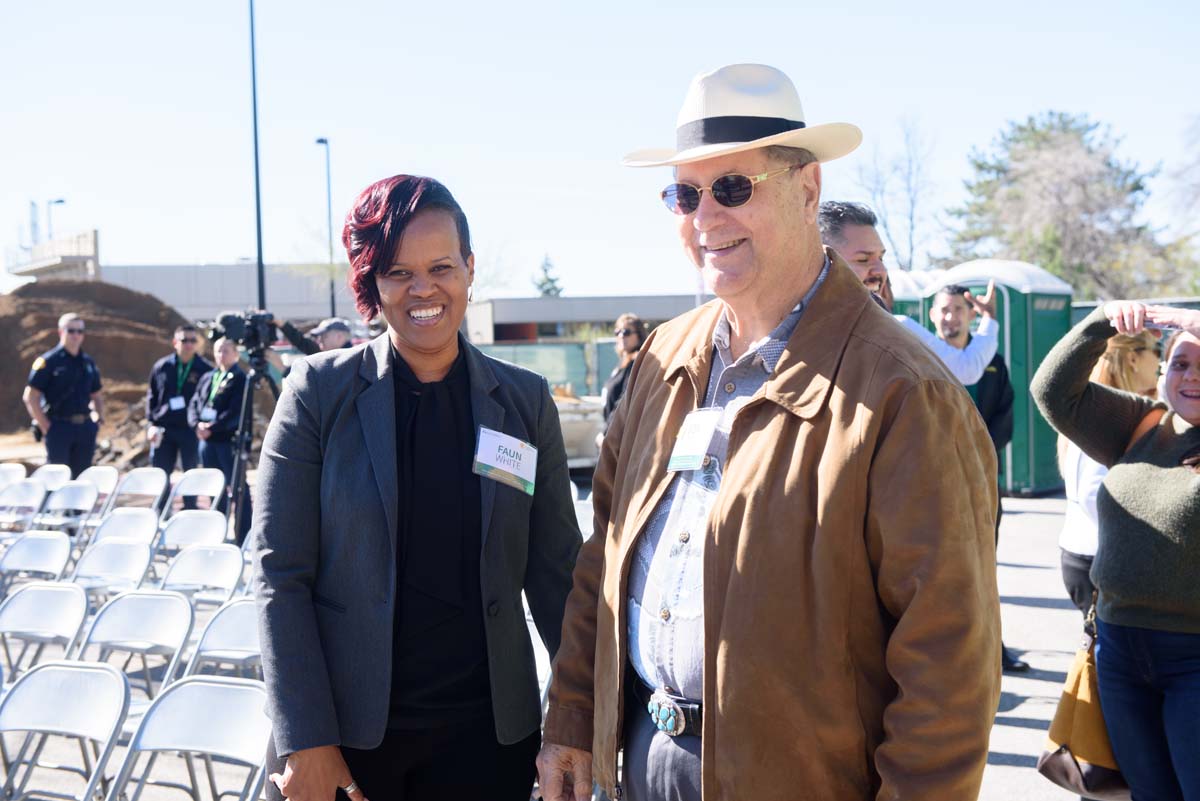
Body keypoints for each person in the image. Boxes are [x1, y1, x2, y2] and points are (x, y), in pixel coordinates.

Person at [537, 63, 1001, 801]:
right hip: (645, 763)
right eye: (685, 194)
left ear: (807, 189)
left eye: (732, 188)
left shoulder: (904, 391)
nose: (704, 218)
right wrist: (570, 715)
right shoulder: (663, 358)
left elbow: (947, 664)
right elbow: (606, 557)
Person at [251, 174, 581, 801]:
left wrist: (576, 719)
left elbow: (556, 573)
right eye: (399, 272)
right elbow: (279, 574)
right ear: (372, 281)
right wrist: (306, 739)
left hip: (488, 744)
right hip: (346, 748)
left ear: (470, 269)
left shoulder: (524, 402)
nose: (423, 289)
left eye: (441, 267)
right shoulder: (317, 394)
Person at [1032, 301, 1200, 801]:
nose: (1191, 377)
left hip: (1192, 656)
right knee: (1148, 793)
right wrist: (1101, 321)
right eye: (1181, 363)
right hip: (1120, 649)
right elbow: (1053, 391)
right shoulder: (1144, 424)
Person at [929, 284, 1027, 672]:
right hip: (932, 482)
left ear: (971, 315)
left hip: (982, 482)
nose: (950, 317)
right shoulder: (920, 355)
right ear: (932, 316)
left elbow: (1004, 417)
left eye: (958, 309)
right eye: (944, 309)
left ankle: (990, 649)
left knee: (983, 566)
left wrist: (975, 456)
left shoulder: (991, 362)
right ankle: (942, 654)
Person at [819, 200, 999, 386]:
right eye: (863, 259)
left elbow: (965, 369)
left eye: (881, 258)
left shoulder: (895, 330)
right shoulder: (804, 337)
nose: (881, 270)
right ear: (823, 265)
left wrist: (989, 319)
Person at [1055, 328, 1161, 617]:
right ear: (1133, 359)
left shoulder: (1102, 408)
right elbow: (1092, 495)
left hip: (1088, 554)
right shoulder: (1111, 415)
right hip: (1098, 558)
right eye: (1157, 352)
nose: (1160, 362)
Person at [23, 313, 104, 478]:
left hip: (85, 428)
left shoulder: (88, 362)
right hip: (59, 427)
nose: (76, 335)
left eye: (80, 331)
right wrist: (46, 426)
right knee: (57, 479)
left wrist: (98, 419)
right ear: (61, 332)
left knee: (82, 479)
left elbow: (96, 395)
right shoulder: (48, 361)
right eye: (71, 330)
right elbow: (30, 396)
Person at [187, 338, 250, 541]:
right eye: (218, 351)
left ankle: (243, 534)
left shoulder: (240, 378)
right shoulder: (208, 376)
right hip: (207, 441)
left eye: (226, 351)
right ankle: (218, 531)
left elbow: (236, 411)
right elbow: (194, 403)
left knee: (237, 487)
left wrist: (213, 427)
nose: (221, 355)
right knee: (214, 487)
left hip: (227, 440)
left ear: (236, 354)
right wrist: (197, 424)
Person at [146, 324, 212, 484]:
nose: (189, 344)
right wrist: (151, 425)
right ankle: (162, 501)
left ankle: (190, 501)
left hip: (189, 430)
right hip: (164, 428)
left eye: (193, 340)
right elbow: (152, 397)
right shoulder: (162, 367)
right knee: (160, 475)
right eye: (184, 340)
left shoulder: (205, 369)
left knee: (191, 475)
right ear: (175, 342)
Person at [601, 313, 647, 428]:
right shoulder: (622, 365)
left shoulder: (637, 364)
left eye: (626, 332)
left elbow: (623, 403)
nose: (621, 336)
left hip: (621, 433)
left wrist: (607, 433)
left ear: (639, 335)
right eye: (617, 332)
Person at [277, 316, 354, 355]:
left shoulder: (352, 360)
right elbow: (302, 342)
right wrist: (281, 324)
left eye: (324, 336)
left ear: (339, 337)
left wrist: (284, 369)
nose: (319, 340)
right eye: (318, 336)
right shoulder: (328, 354)